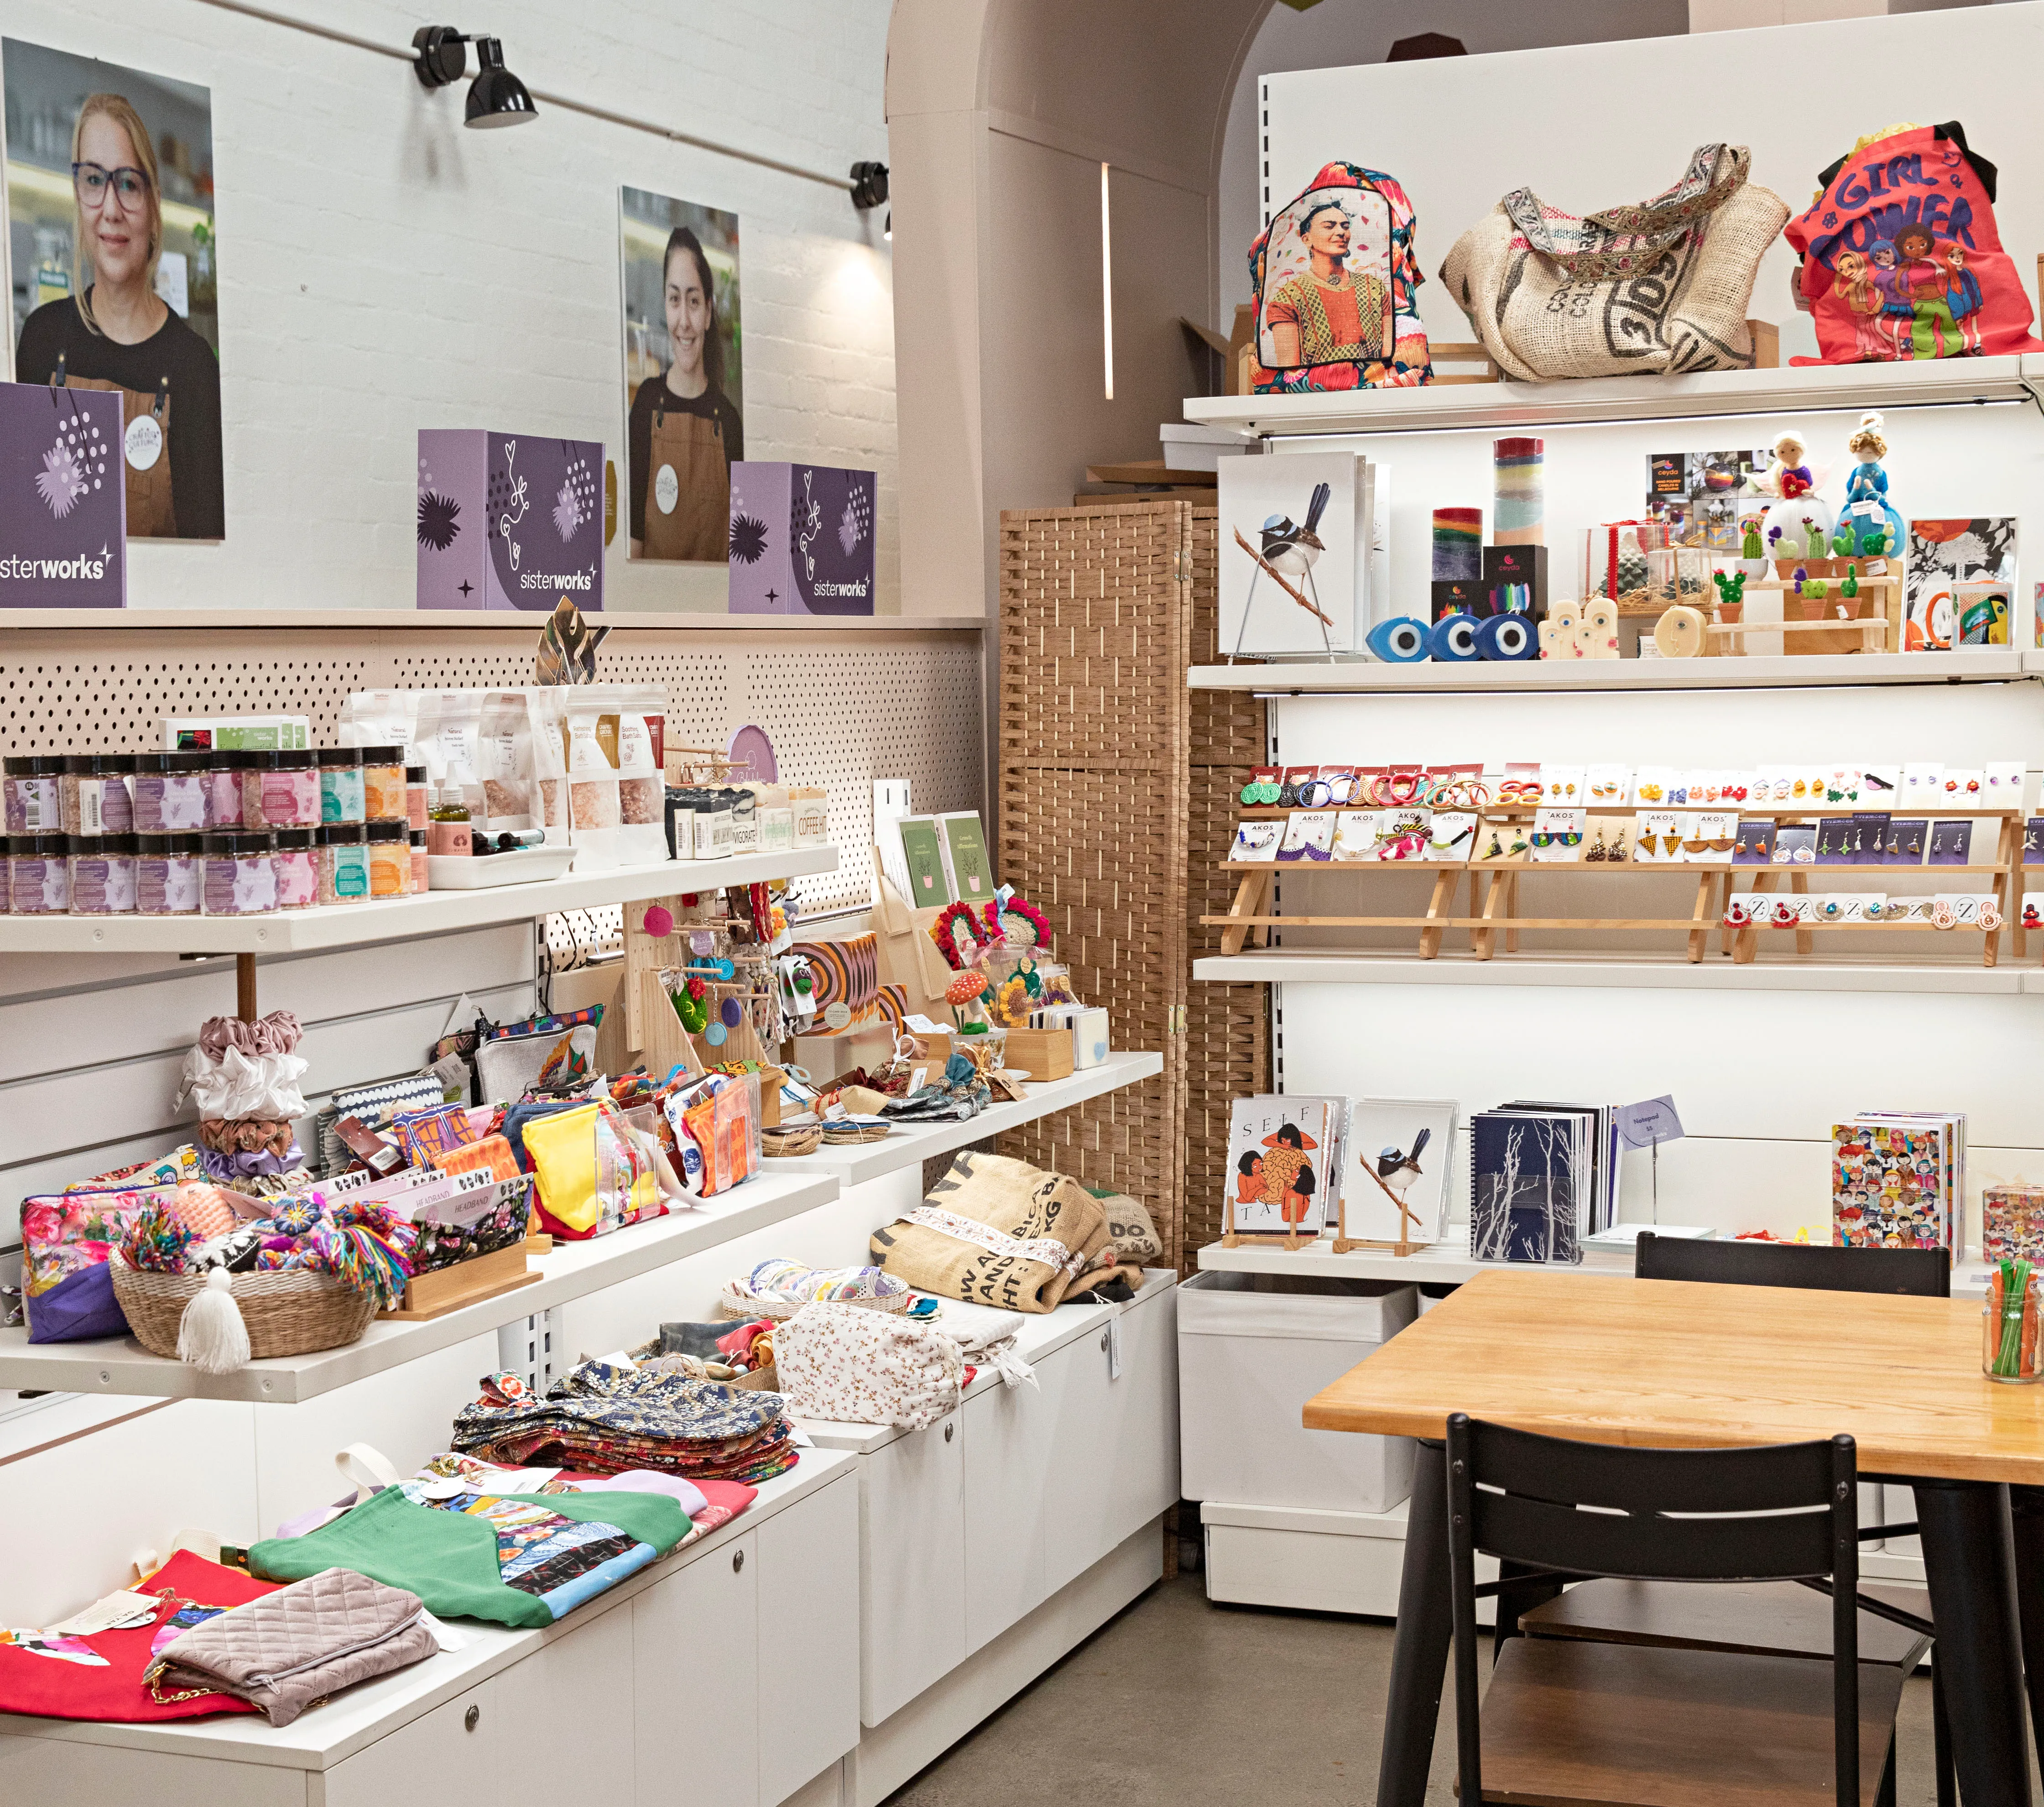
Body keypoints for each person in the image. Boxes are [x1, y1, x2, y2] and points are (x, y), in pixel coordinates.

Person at [14, 93, 223, 539]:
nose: (111, 208)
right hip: (62, 605)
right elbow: (23, 531)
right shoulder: (41, 339)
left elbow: (206, 564)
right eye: (94, 180)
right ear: (78, 196)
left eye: (128, 183)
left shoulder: (193, 365)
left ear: (152, 207)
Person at [628, 226, 743, 560]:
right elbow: (634, 541)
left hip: (715, 610)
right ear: (665, 305)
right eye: (675, 300)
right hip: (655, 606)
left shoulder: (731, 423)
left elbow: (741, 555)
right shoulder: (647, 403)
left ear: (708, 313)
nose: (684, 321)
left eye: (693, 302)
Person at [1263, 198, 1390, 373]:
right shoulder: (1288, 298)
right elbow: (1290, 372)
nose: (1341, 232)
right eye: (1329, 227)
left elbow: (1389, 360)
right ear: (1307, 239)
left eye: (1345, 226)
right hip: (1313, 396)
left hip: (1373, 390)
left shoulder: (1375, 288)